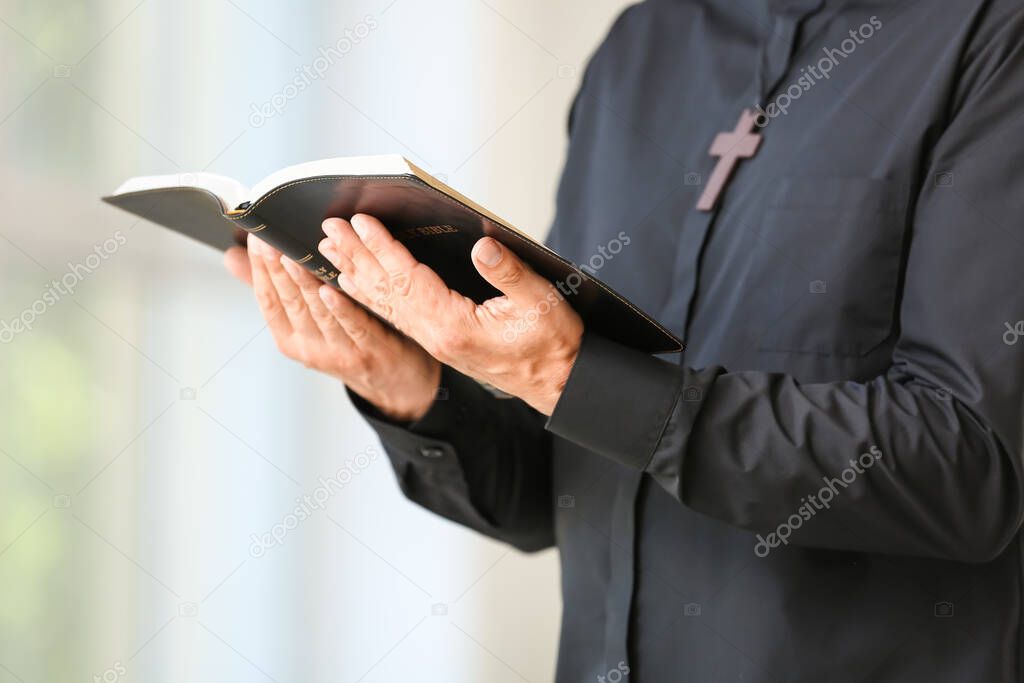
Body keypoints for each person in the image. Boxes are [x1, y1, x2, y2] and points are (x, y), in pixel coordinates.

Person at [224, 0, 1024, 680]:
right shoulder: (639, 47)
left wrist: (571, 376)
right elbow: (561, 493)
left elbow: (972, 471)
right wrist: (411, 387)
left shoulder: (995, 40)